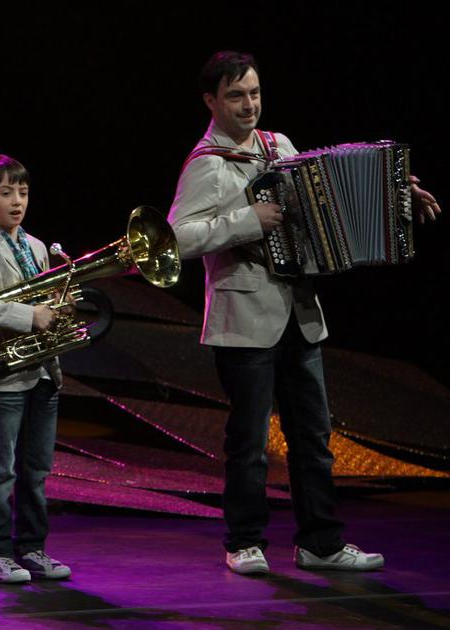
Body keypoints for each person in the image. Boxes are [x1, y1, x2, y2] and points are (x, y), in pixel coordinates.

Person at [168, 51, 441, 575]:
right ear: (210, 101)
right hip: (244, 317)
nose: (248, 105)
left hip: (299, 311)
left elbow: (327, 204)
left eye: (254, 93)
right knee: (249, 443)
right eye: (235, 96)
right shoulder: (207, 164)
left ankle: (320, 542)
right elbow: (177, 238)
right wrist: (248, 220)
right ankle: (244, 541)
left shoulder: (281, 146)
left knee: (313, 438)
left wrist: (393, 194)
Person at [0, 154, 71, 583]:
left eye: (23, 192)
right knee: (0, 470)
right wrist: (29, 316)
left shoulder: (38, 247)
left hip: (42, 371)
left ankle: (32, 547)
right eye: (6, 193)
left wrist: (59, 311)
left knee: (36, 469)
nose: (17, 201)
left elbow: (44, 304)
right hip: (5, 374)